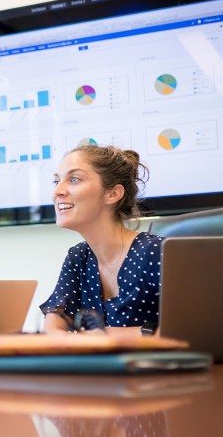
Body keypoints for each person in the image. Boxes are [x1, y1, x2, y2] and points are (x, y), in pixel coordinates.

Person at [40, 144, 161, 335]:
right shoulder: (78, 258)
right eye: (56, 182)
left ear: (112, 194)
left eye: (74, 179)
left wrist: (98, 336)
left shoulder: (155, 252)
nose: (57, 192)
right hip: (97, 366)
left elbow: (187, 329)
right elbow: (51, 331)